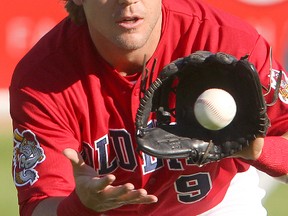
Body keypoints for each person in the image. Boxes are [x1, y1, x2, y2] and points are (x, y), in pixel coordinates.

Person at [10, 0, 288, 215]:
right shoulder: (42, 79)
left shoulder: (227, 41)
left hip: (216, 205)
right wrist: (81, 206)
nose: (129, 0)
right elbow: (39, 206)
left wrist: (260, 151)